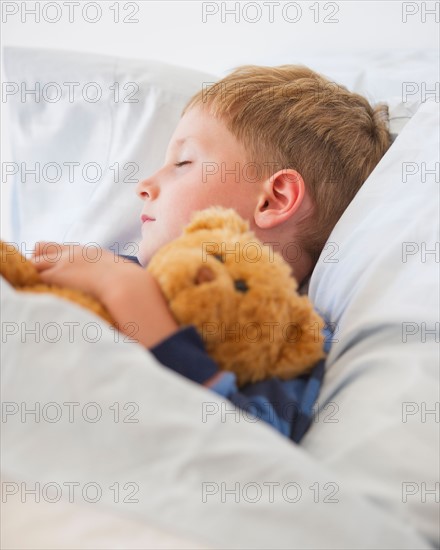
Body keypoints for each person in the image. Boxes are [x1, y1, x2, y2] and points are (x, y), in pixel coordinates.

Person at [29, 65, 391, 442]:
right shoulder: (102, 264)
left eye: (183, 163)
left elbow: (249, 448)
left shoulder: (290, 338)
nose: (144, 185)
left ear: (274, 199)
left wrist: (130, 296)